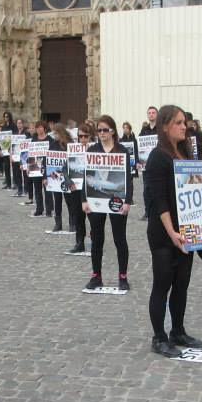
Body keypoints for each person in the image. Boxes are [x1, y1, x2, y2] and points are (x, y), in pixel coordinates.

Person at [144, 105, 202, 357]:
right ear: (164, 126)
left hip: (188, 230)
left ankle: (178, 330)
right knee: (162, 284)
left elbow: (198, 195)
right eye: (178, 123)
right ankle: (159, 337)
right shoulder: (157, 156)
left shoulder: (186, 154)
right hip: (164, 233)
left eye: (185, 122)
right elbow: (159, 200)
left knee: (182, 284)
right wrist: (172, 232)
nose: (185, 126)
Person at [82, 115, 133, 291]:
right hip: (96, 201)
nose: (102, 133)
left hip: (116, 200)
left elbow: (128, 179)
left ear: (112, 131)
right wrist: (83, 200)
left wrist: (127, 202)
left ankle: (123, 276)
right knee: (97, 239)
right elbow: (85, 178)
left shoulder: (122, 151)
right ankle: (96, 276)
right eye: (99, 130)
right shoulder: (92, 150)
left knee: (120, 239)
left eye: (105, 130)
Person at [67, 125, 92, 253]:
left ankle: (94, 241)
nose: (82, 139)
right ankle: (79, 242)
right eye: (80, 136)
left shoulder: (95, 149)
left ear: (90, 137)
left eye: (85, 136)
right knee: (78, 216)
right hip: (76, 188)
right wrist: (68, 181)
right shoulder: (72, 149)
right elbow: (65, 168)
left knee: (94, 217)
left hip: (90, 188)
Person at [30, 121, 55, 218]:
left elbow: (53, 153)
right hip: (36, 166)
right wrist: (29, 166)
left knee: (47, 188)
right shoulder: (34, 139)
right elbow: (31, 153)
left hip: (47, 167)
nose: (39, 129)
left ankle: (49, 209)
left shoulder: (50, 139)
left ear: (44, 128)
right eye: (37, 128)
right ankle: (39, 209)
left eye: (41, 127)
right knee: (37, 189)